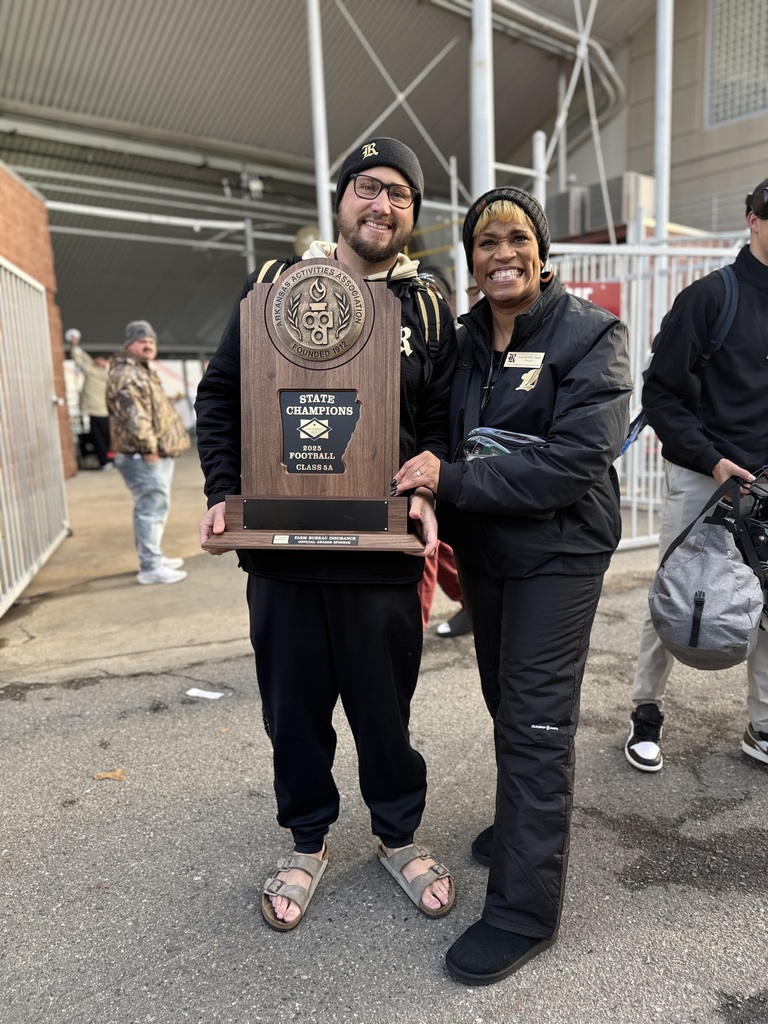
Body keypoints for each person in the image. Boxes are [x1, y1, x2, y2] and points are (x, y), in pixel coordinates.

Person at [195, 138, 458, 931]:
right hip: (283, 551)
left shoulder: (430, 304)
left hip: (380, 552)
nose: (383, 206)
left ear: (412, 214)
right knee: (293, 709)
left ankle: (398, 836)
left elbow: (445, 421)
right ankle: (306, 842)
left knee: (386, 710)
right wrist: (221, 494)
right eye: (368, 189)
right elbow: (221, 401)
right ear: (341, 197)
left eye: (401, 196)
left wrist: (431, 486)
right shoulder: (274, 286)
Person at [393, 186, 632, 984]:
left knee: (534, 722)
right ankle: (532, 821)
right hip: (489, 554)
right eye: (485, 241)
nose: (502, 253)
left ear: (543, 250)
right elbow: (432, 424)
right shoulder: (462, 342)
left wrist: (452, 479)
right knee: (505, 694)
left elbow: (572, 463)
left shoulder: (592, 335)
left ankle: (523, 911)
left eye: (516, 237)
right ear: (470, 261)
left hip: (559, 554)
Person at [625, 177, 768, 774]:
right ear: (751, 218)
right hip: (704, 476)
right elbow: (661, 395)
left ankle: (762, 726)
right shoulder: (711, 297)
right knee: (677, 589)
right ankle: (645, 714)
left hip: (764, 482)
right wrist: (712, 462)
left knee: (766, 605)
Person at [106, 320, 190, 585]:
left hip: (149, 452)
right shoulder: (128, 373)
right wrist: (148, 448)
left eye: (151, 341)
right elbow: (135, 415)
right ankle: (151, 566)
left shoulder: (140, 370)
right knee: (151, 509)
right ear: (129, 344)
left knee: (152, 507)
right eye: (141, 340)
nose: (147, 345)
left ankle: (153, 556)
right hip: (143, 454)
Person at [64, 328, 113, 470]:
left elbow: (80, 361)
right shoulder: (101, 372)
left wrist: (74, 346)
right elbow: (86, 360)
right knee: (105, 437)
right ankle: (109, 459)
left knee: (100, 438)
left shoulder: (95, 372)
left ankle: (105, 461)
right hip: (101, 410)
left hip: (96, 411)